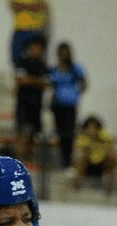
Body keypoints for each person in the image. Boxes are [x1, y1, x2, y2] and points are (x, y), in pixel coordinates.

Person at [12, 34, 48, 166]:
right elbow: (20, 80)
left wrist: (30, 80)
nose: (36, 50)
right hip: (23, 104)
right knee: (21, 132)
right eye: (34, 47)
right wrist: (35, 81)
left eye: (39, 48)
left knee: (34, 135)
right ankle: (18, 160)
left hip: (36, 104)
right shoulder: (22, 62)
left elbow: (44, 85)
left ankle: (29, 161)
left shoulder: (43, 66)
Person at [48, 41, 85, 169]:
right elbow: (50, 85)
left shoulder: (76, 69)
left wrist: (74, 94)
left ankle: (68, 162)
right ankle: (61, 161)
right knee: (59, 133)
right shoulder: (54, 69)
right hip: (57, 105)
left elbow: (84, 84)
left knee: (69, 133)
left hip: (70, 106)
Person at [71, 113, 116, 193]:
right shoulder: (83, 138)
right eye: (89, 128)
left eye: (93, 128)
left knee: (112, 157)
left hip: (102, 164)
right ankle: (77, 185)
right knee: (81, 159)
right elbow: (78, 154)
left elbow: (112, 150)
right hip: (88, 165)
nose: (91, 130)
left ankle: (110, 186)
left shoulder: (105, 136)